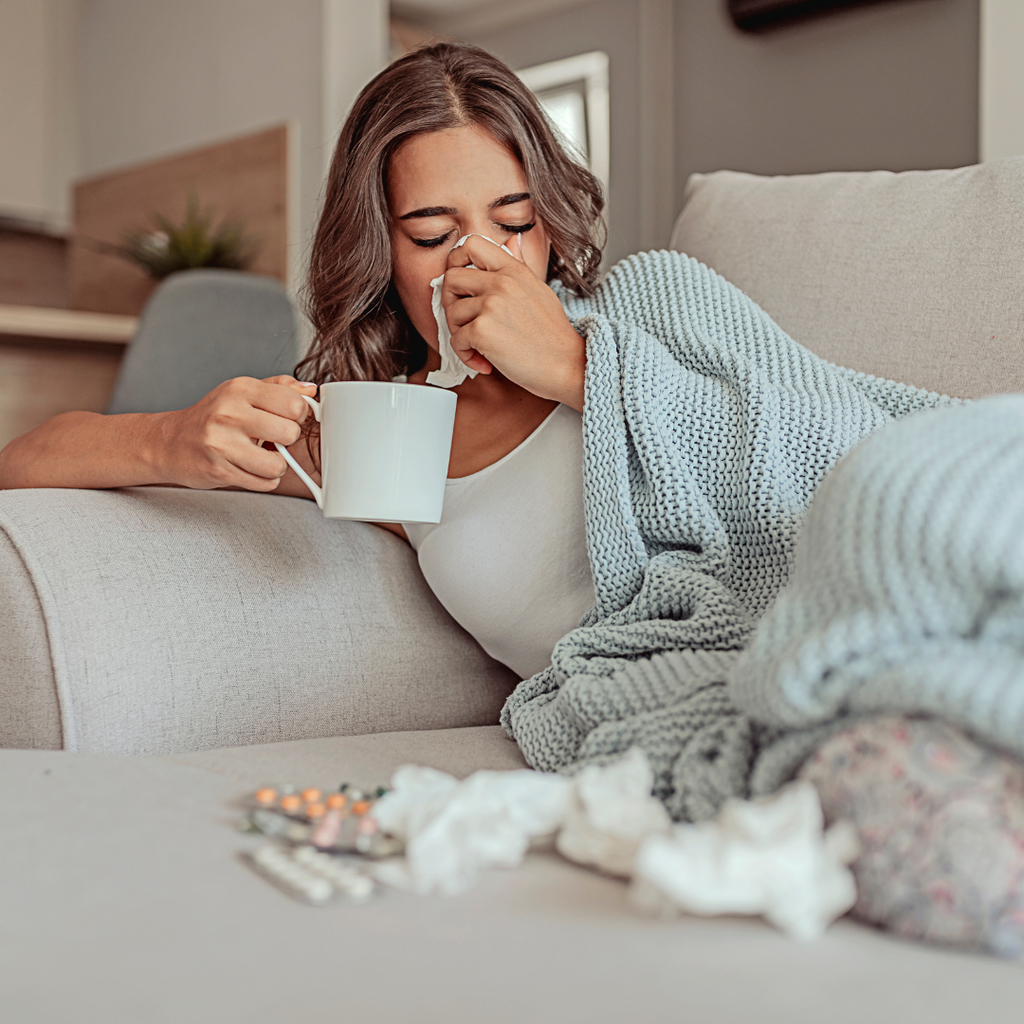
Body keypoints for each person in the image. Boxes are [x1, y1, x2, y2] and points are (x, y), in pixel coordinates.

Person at [1, 42, 1022, 955]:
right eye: (431, 231)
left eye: (512, 222)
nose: (478, 260)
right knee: (927, 834)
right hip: (742, 690)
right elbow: (25, 460)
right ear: (380, 248)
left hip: (856, 591)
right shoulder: (372, 427)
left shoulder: (650, 306)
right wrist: (173, 438)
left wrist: (580, 367)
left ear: (548, 223)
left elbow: (838, 445)